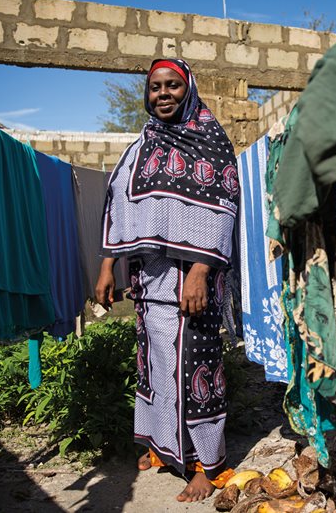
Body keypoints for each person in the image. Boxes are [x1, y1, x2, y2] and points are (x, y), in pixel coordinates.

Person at [96, 58, 239, 502]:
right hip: (148, 282)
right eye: (156, 86)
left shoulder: (210, 139)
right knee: (157, 367)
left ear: (188, 88)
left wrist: (199, 270)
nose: (163, 93)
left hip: (189, 283)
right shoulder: (142, 143)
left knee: (197, 371)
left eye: (172, 85)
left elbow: (224, 207)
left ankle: (207, 465)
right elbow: (118, 200)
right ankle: (164, 448)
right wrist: (107, 266)